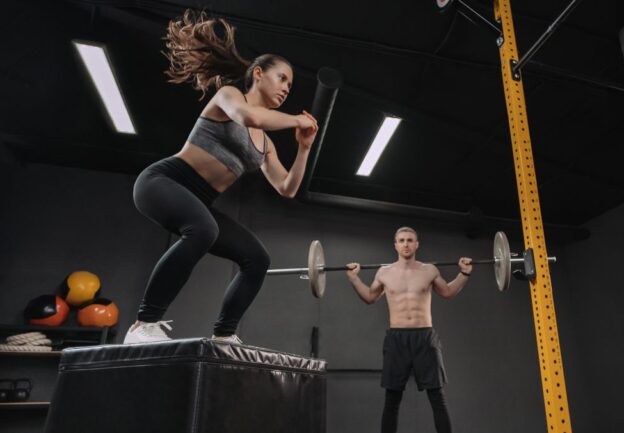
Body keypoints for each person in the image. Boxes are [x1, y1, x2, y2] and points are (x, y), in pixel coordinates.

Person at [124, 10, 318, 344]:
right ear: (258, 74)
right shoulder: (231, 97)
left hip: (197, 202)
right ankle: (144, 324)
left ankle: (224, 335)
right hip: (163, 183)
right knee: (203, 229)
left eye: (290, 84)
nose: (287, 88)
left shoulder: (266, 144)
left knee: (256, 259)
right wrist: (296, 121)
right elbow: (247, 117)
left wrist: (303, 148)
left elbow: (287, 188)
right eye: (282, 78)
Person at [345, 227, 472, 433]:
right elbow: (369, 297)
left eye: (410, 240)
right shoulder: (384, 272)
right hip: (397, 339)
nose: (405, 244)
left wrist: (464, 274)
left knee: (437, 397)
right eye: (401, 240)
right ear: (395, 245)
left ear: (416, 244)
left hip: (425, 337)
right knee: (392, 400)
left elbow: (448, 292)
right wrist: (354, 279)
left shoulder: (429, 270)